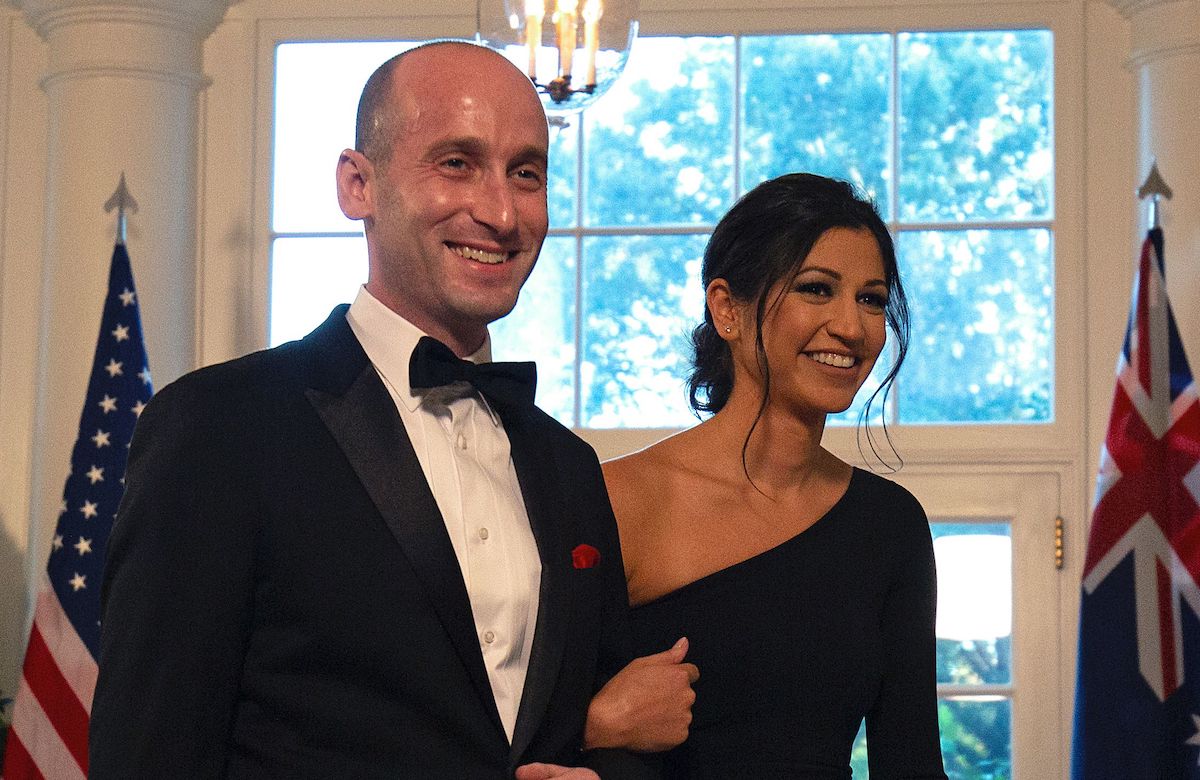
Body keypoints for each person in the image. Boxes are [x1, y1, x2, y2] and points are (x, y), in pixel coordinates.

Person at [89, 41, 695, 779]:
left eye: (525, 173)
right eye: (457, 163)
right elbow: (149, 756)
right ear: (358, 185)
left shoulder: (567, 468)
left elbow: (600, 731)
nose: (502, 212)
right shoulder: (218, 429)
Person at [603, 173, 947, 778]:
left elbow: (913, 764)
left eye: (871, 298)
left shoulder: (889, 526)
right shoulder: (621, 497)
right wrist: (596, 720)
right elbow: (521, 732)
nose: (851, 326)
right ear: (727, 309)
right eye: (817, 289)